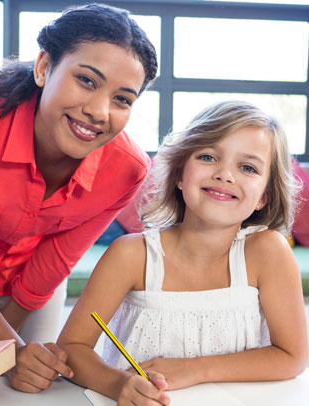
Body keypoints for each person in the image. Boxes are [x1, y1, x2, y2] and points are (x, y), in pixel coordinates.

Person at [0, 3, 157, 393]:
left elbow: (57, 258)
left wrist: (16, 350)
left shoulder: (127, 169)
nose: (98, 111)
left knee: (32, 386)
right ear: (43, 67)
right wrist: (8, 351)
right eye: (87, 80)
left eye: (122, 99)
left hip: (34, 281)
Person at [58, 100, 309, 405]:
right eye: (207, 156)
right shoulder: (131, 255)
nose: (225, 174)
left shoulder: (268, 252)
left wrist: (193, 370)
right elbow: (72, 346)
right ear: (179, 174)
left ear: (264, 197)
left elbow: (292, 357)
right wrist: (118, 384)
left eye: (247, 167)